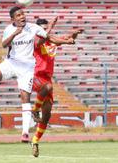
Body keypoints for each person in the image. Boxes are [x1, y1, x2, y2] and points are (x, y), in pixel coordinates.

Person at [0, 6, 75, 142]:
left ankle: (25, 133)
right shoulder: (9, 30)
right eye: (18, 15)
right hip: (11, 63)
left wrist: (66, 42)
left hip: (27, 68)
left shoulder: (33, 27)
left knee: (25, 98)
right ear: (13, 19)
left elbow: (50, 38)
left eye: (22, 14)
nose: (22, 16)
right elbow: (4, 44)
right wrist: (15, 33)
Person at [31, 18, 83, 157]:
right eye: (42, 28)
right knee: (47, 87)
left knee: (47, 115)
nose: (45, 30)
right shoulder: (36, 41)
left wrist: (74, 33)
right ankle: (34, 110)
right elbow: (57, 39)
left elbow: (66, 38)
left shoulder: (52, 40)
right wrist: (62, 37)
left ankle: (35, 141)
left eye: (46, 28)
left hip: (47, 78)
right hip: (35, 75)